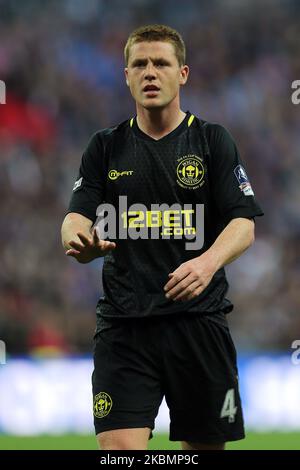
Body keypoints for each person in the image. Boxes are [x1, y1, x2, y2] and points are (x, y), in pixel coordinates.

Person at [61, 24, 263, 451]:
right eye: (140, 64)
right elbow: (75, 217)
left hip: (198, 325)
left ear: (183, 73)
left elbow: (244, 224)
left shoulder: (211, 141)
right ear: (127, 76)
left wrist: (207, 263)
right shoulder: (105, 147)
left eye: (161, 63)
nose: (150, 72)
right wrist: (81, 241)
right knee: (119, 453)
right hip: (124, 327)